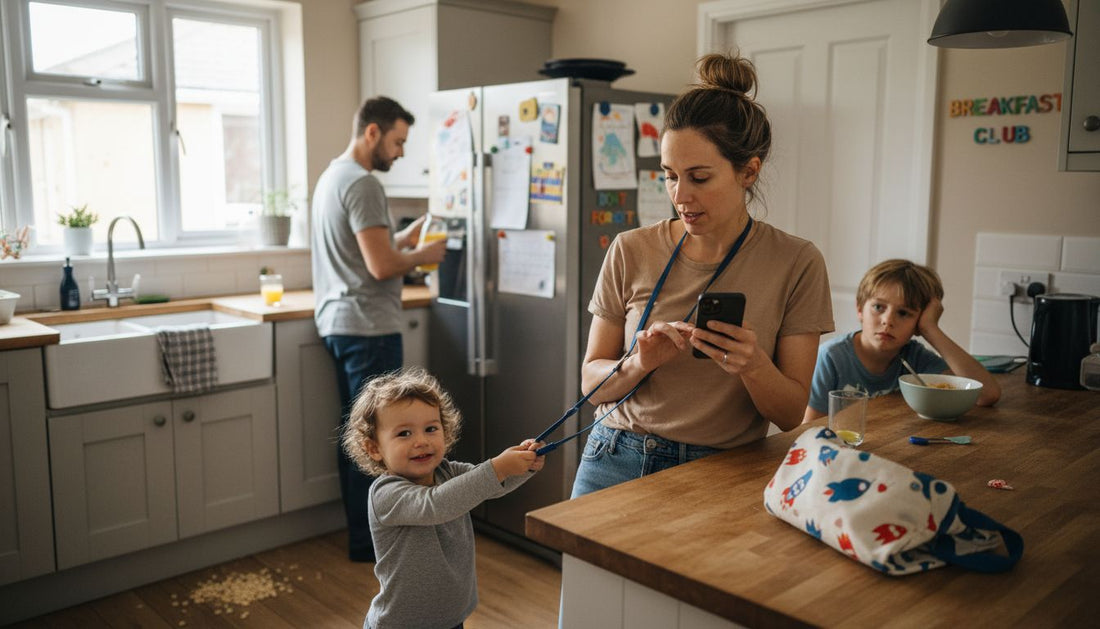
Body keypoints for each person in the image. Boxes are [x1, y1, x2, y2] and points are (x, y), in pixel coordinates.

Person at [571, 53, 835, 498]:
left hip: (724, 472)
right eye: (670, 176)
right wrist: (639, 362)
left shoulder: (797, 262)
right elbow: (591, 385)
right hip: (614, 455)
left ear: (749, 170)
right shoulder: (629, 249)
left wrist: (753, 365)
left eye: (699, 177)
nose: (680, 195)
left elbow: (791, 414)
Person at [311, 96, 447, 562]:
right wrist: (422, 256)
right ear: (372, 133)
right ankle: (376, 542)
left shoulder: (332, 176)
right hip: (367, 325)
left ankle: (361, 540)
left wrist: (403, 240)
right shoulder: (364, 183)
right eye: (398, 141)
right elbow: (381, 265)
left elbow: (366, 251)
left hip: (339, 322)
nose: (401, 153)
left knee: (361, 436)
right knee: (381, 442)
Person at [341, 367, 545, 629]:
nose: (421, 441)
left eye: (430, 428)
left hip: (450, 620)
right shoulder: (385, 493)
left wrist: (525, 466)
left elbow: (491, 486)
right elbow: (436, 504)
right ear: (374, 448)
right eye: (404, 433)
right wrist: (498, 466)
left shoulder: (448, 472)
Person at [803, 259, 1001, 421]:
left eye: (904, 313)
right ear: (860, 309)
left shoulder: (914, 356)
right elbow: (810, 430)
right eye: (879, 307)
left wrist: (931, 330)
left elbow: (986, 395)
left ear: (919, 322)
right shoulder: (831, 358)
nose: (888, 321)